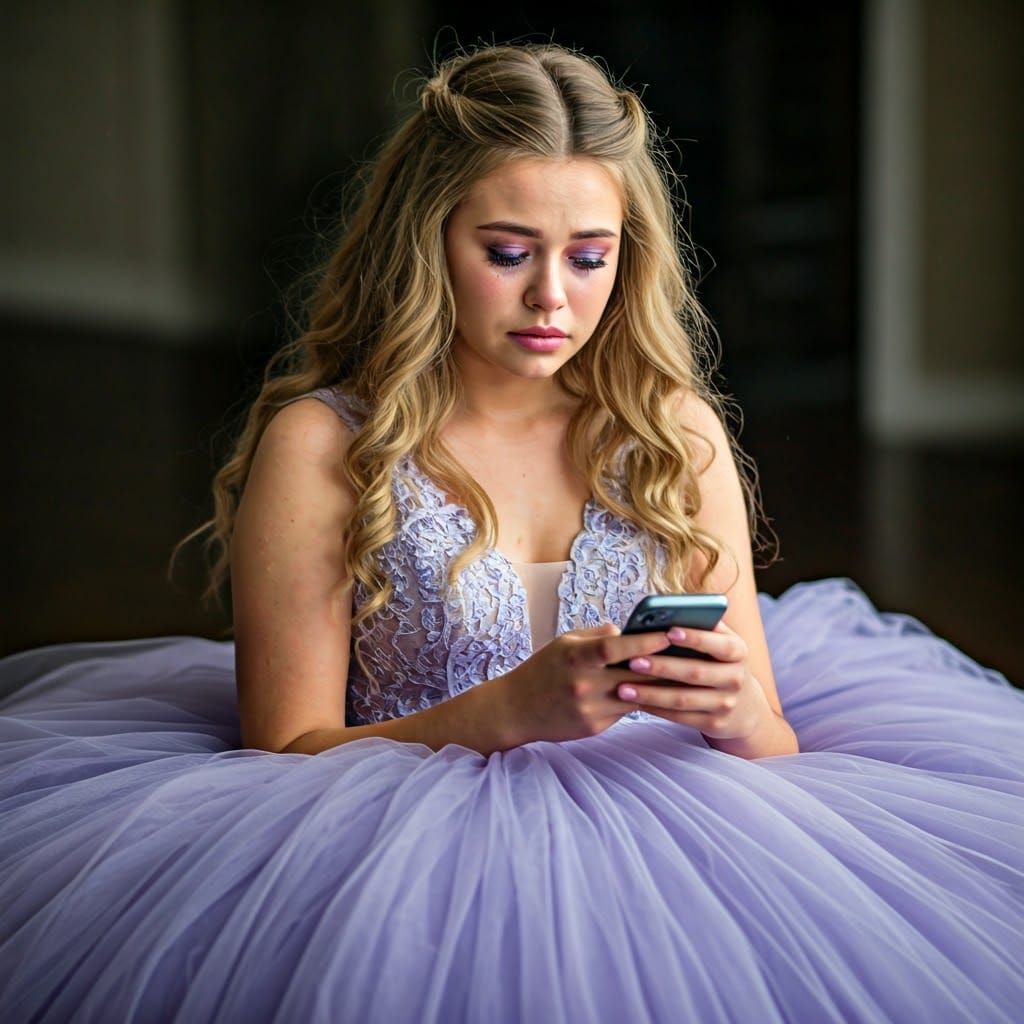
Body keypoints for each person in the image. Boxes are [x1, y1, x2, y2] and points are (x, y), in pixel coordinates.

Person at [0, 41, 1022, 1024]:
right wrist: (507, 712)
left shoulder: (671, 437)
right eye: (506, 252)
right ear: (427, 239)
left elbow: (772, 736)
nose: (551, 298)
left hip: (675, 852)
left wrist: (739, 713)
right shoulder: (326, 446)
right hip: (397, 862)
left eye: (589, 257)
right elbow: (285, 752)